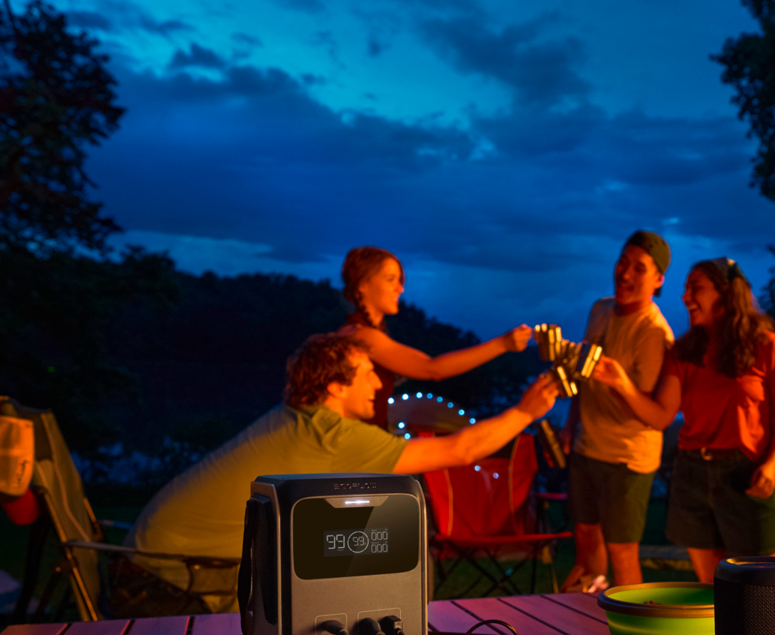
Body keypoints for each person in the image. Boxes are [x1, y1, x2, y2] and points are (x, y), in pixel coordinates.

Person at [118, 332, 560, 614]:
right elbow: (462, 450)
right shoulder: (332, 434)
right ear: (336, 386)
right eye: (368, 374)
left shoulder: (300, 418)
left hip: (151, 566)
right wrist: (526, 410)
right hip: (168, 587)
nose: (377, 384)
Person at [590, 258, 775, 584]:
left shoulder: (767, 346)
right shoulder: (684, 351)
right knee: (711, 589)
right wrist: (621, 383)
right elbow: (661, 416)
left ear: (727, 293)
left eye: (696, 288)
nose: (686, 297)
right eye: (686, 289)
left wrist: (772, 466)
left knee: (762, 587)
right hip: (693, 474)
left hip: (745, 475)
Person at [559, 230, 676, 593]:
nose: (625, 274)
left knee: (623, 553)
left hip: (628, 456)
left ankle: (631, 631)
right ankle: (589, 619)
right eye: (622, 263)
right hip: (586, 445)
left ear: (657, 280)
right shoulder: (600, 309)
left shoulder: (654, 333)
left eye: (638, 268)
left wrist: (621, 382)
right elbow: (583, 373)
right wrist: (570, 424)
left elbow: (654, 414)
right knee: (585, 538)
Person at [338, 246, 532, 429]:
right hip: (361, 455)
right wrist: (503, 344)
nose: (400, 289)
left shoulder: (362, 332)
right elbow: (433, 369)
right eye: (390, 279)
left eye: (400, 281)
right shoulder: (362, 336)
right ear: (363, 284)